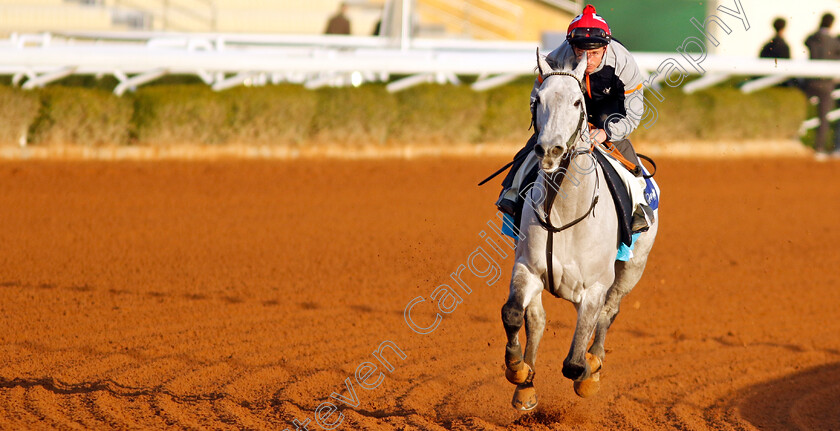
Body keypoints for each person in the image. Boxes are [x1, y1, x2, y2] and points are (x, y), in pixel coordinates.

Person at [496, 4, 650, 229]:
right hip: (570, 106)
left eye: (595, 53)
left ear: (606, 48)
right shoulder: (557, 59)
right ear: (572, 47)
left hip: (610, 110)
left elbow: (634, 113)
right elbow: (537, 99)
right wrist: (546, 127)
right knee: (537, 144)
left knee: (622, 147)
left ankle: (638, 206)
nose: (587, 59)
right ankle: (511, 192)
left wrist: (606, 132)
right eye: (580, 52)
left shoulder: (624, 63)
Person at [804, 13, 840, 159]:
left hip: (811, 82)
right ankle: (819, 148)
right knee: (823, 117)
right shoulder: (833, 41)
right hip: (826, 84)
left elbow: (805, 42)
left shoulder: (812, 38)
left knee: (804, 110)